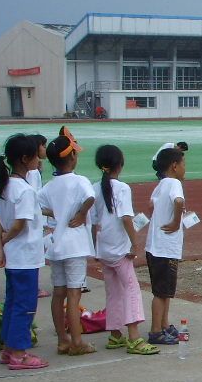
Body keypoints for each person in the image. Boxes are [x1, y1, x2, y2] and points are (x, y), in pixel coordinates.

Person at [92, 145, 158, 354]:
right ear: (119, 165)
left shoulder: (95, 188)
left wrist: (95, 248)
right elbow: (126, 218)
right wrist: (134, 243)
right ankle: (134, 337)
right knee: (131, 288)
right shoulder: (122, 188)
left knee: (113, 291)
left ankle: (115, 333)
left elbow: (94, 222)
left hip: (103, 248)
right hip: (119, 248)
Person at [0, 134, 48, 370]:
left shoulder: (5, 186)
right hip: (25, 256)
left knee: (13, 302)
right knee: (25, 305)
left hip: (14, 255)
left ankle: (9, 348)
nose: (38, 160)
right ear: (25, 159)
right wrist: (5, 240)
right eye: (35, 155)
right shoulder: (25, 190)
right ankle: (18, 353)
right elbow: (20, 224)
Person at [38, 128, 96, 355]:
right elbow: (90, 197)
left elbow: (39, 205)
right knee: (74, 293)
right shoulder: (79, 180)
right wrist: (81, 213)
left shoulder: (50, 185)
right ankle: (77, 342)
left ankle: (62, 339)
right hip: (74, 244)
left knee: (59, 292)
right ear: (72, 156)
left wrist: (57, 213)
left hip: (56, 244)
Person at [145, 147, 186, 345]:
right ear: (174, 166)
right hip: (165, 247)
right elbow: (178, 201)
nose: (185, 169)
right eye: (183, 164)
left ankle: (163, 324)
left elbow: (151, 205)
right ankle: (155, 331)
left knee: (165, 290)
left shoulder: (161, 184)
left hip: (155, 245)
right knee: (161, 293)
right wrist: (176, 221)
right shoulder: (174, 183)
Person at [25, 134, 52, 299]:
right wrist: (49, 214)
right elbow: (34, 199)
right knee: (33, 255)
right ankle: (32, 288)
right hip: (34, 221)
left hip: (34, 219)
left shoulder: (34, 171)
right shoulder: (33, 172)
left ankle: (31, 287)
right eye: (43, 146)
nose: (45, 149)